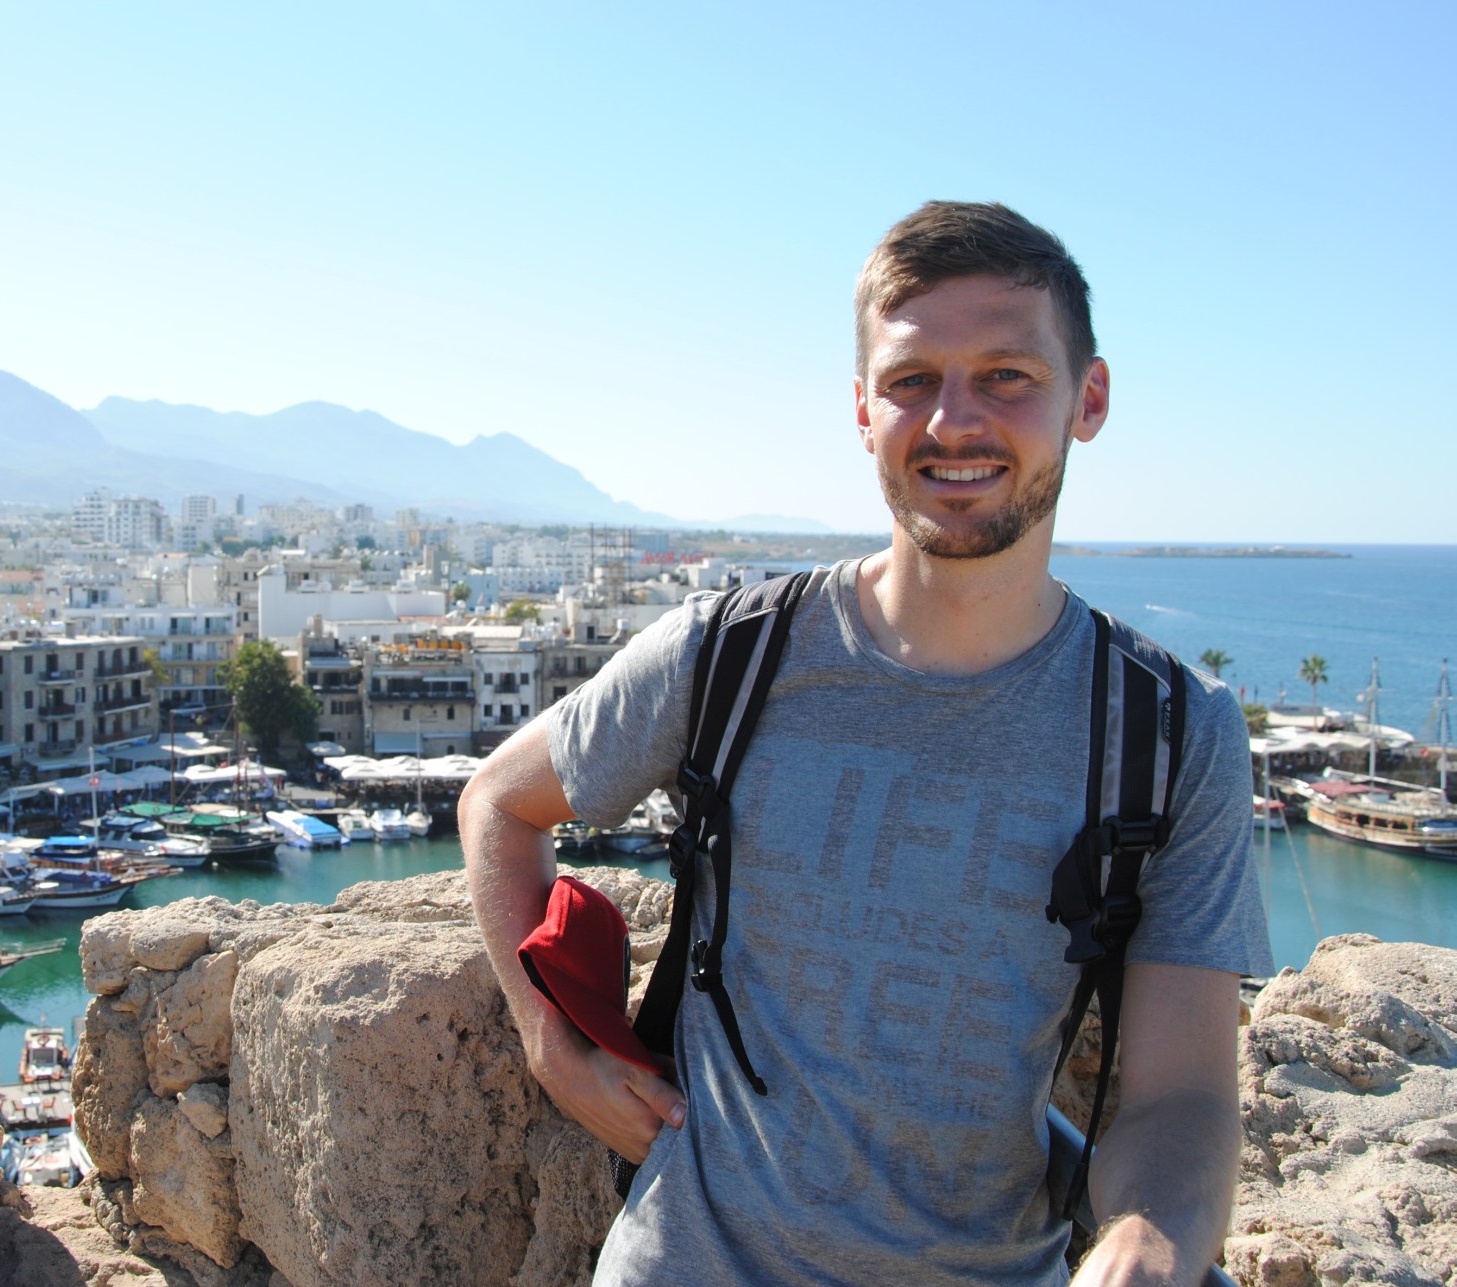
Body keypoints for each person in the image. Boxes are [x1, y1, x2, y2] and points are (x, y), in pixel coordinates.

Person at [461, 200, 1273, 1286]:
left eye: (1007, 376)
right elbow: (500, 805)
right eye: (910, 381)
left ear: (1090, 399)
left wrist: (1146, 1247)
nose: (953, 420)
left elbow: (1184, 1099)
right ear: (861, 409)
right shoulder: (733, 653)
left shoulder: (1171, 734)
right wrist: (548, 1043)